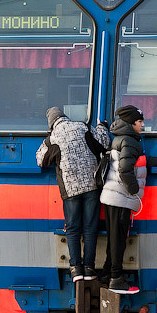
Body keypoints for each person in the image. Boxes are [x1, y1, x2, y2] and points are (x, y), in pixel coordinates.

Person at [99, 105, 157, 294]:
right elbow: (124, 169)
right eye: (140, 122)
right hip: (120, 198)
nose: (143, 125)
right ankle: (116, 279)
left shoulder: (123, 139)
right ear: (131, 124)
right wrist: (134, 190)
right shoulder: (130, 141)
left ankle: (107, 275)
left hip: (114, 197)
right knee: (118, 240)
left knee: (115, 239)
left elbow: (141, 160)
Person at [36, 107, 111, 283]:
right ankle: (90, 268)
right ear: (65, 117)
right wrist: (102, 127)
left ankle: (76, 268)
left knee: (73, 228)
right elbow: (104, 142)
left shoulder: (53, 138)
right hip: (92, 186)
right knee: (90, 227)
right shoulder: (82, 127)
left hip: (70, 191)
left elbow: (41, 160)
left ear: (52, 124)